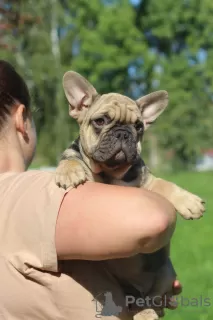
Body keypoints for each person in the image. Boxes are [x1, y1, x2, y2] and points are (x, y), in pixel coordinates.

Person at [0, 60, 181, 320]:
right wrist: (162, 259)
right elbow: (153, 219)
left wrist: (149, 270)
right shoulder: (29, 194)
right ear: (22, 120)